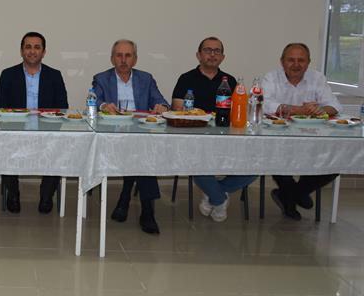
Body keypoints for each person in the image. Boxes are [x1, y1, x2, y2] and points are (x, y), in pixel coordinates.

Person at [171, 37, 255, 222]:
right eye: (208, 50)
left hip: (227, 138)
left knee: (256, 164)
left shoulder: (230, 81)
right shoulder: (186, 78)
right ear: (198, 55)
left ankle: (214, 193)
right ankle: (219, 198)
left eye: (217, 51)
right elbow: (177, 107)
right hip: (196, 138)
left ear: (223, 57)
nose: (212, 54)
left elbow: (239, 111)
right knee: (195, 160)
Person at [93, 39, 169, 234]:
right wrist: (104, 106)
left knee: (140, 149)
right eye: (119, 55)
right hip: (113, 134)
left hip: (141, 132)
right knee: (142, 153)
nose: (123, 60)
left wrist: (161, 107)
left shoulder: (146, 78)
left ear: (135, 59)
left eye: (128, 55)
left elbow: (161, 101)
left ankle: (131, 200)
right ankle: (145, 210)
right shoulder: (101, 78)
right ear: (112, 58)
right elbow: (94, 100)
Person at [262, 42, 342, 220]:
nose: (296, 64)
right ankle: (293, 196)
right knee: (273, 154)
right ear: (282, 61)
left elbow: (335, 105)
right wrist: (298, 110)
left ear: (308, 62)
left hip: (313, 139)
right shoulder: (271, 77)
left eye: (301, 60)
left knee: (336, 162)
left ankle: (291, 194)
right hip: (278, 138)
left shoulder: (317, 78)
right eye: (291, 60)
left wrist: (321, 110)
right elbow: (265, 104)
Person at [0, 31, 68, 213]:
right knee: (4, 145)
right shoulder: (8, 74)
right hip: (15, 131)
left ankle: (46, 195)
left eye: (37, 47)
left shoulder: (54, 75)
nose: (32, 51)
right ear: (21, 51)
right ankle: (13, 193)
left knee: (59, 147)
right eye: (28, 47)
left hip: (47, 131)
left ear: (44, 52)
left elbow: (63, 108)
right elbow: (0, 108)